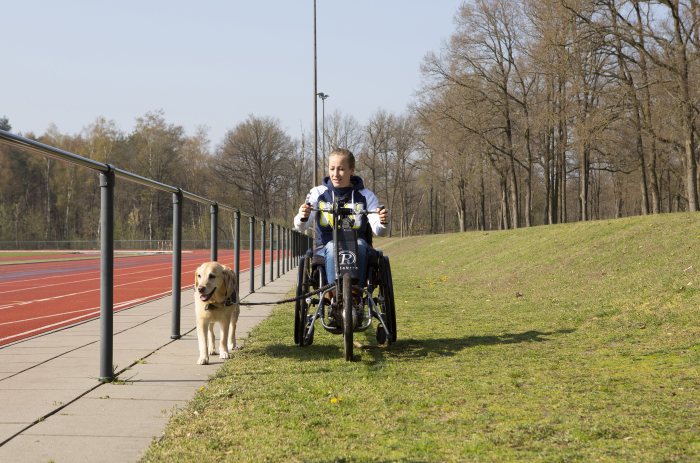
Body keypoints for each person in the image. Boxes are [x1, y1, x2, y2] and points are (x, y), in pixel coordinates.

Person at [294, 148, 390, 291]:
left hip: (359, 245)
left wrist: (384, 221)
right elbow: (301, 226)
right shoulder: (318, 193)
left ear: (352, 170)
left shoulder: (366, 196)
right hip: (325, 246)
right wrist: (304, 216)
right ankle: (337, 297)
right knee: (333, 247)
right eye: (332, 169)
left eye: (341, 169)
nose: (335, 174)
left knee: (359, 246)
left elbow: (380, 230)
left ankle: (355, 295)